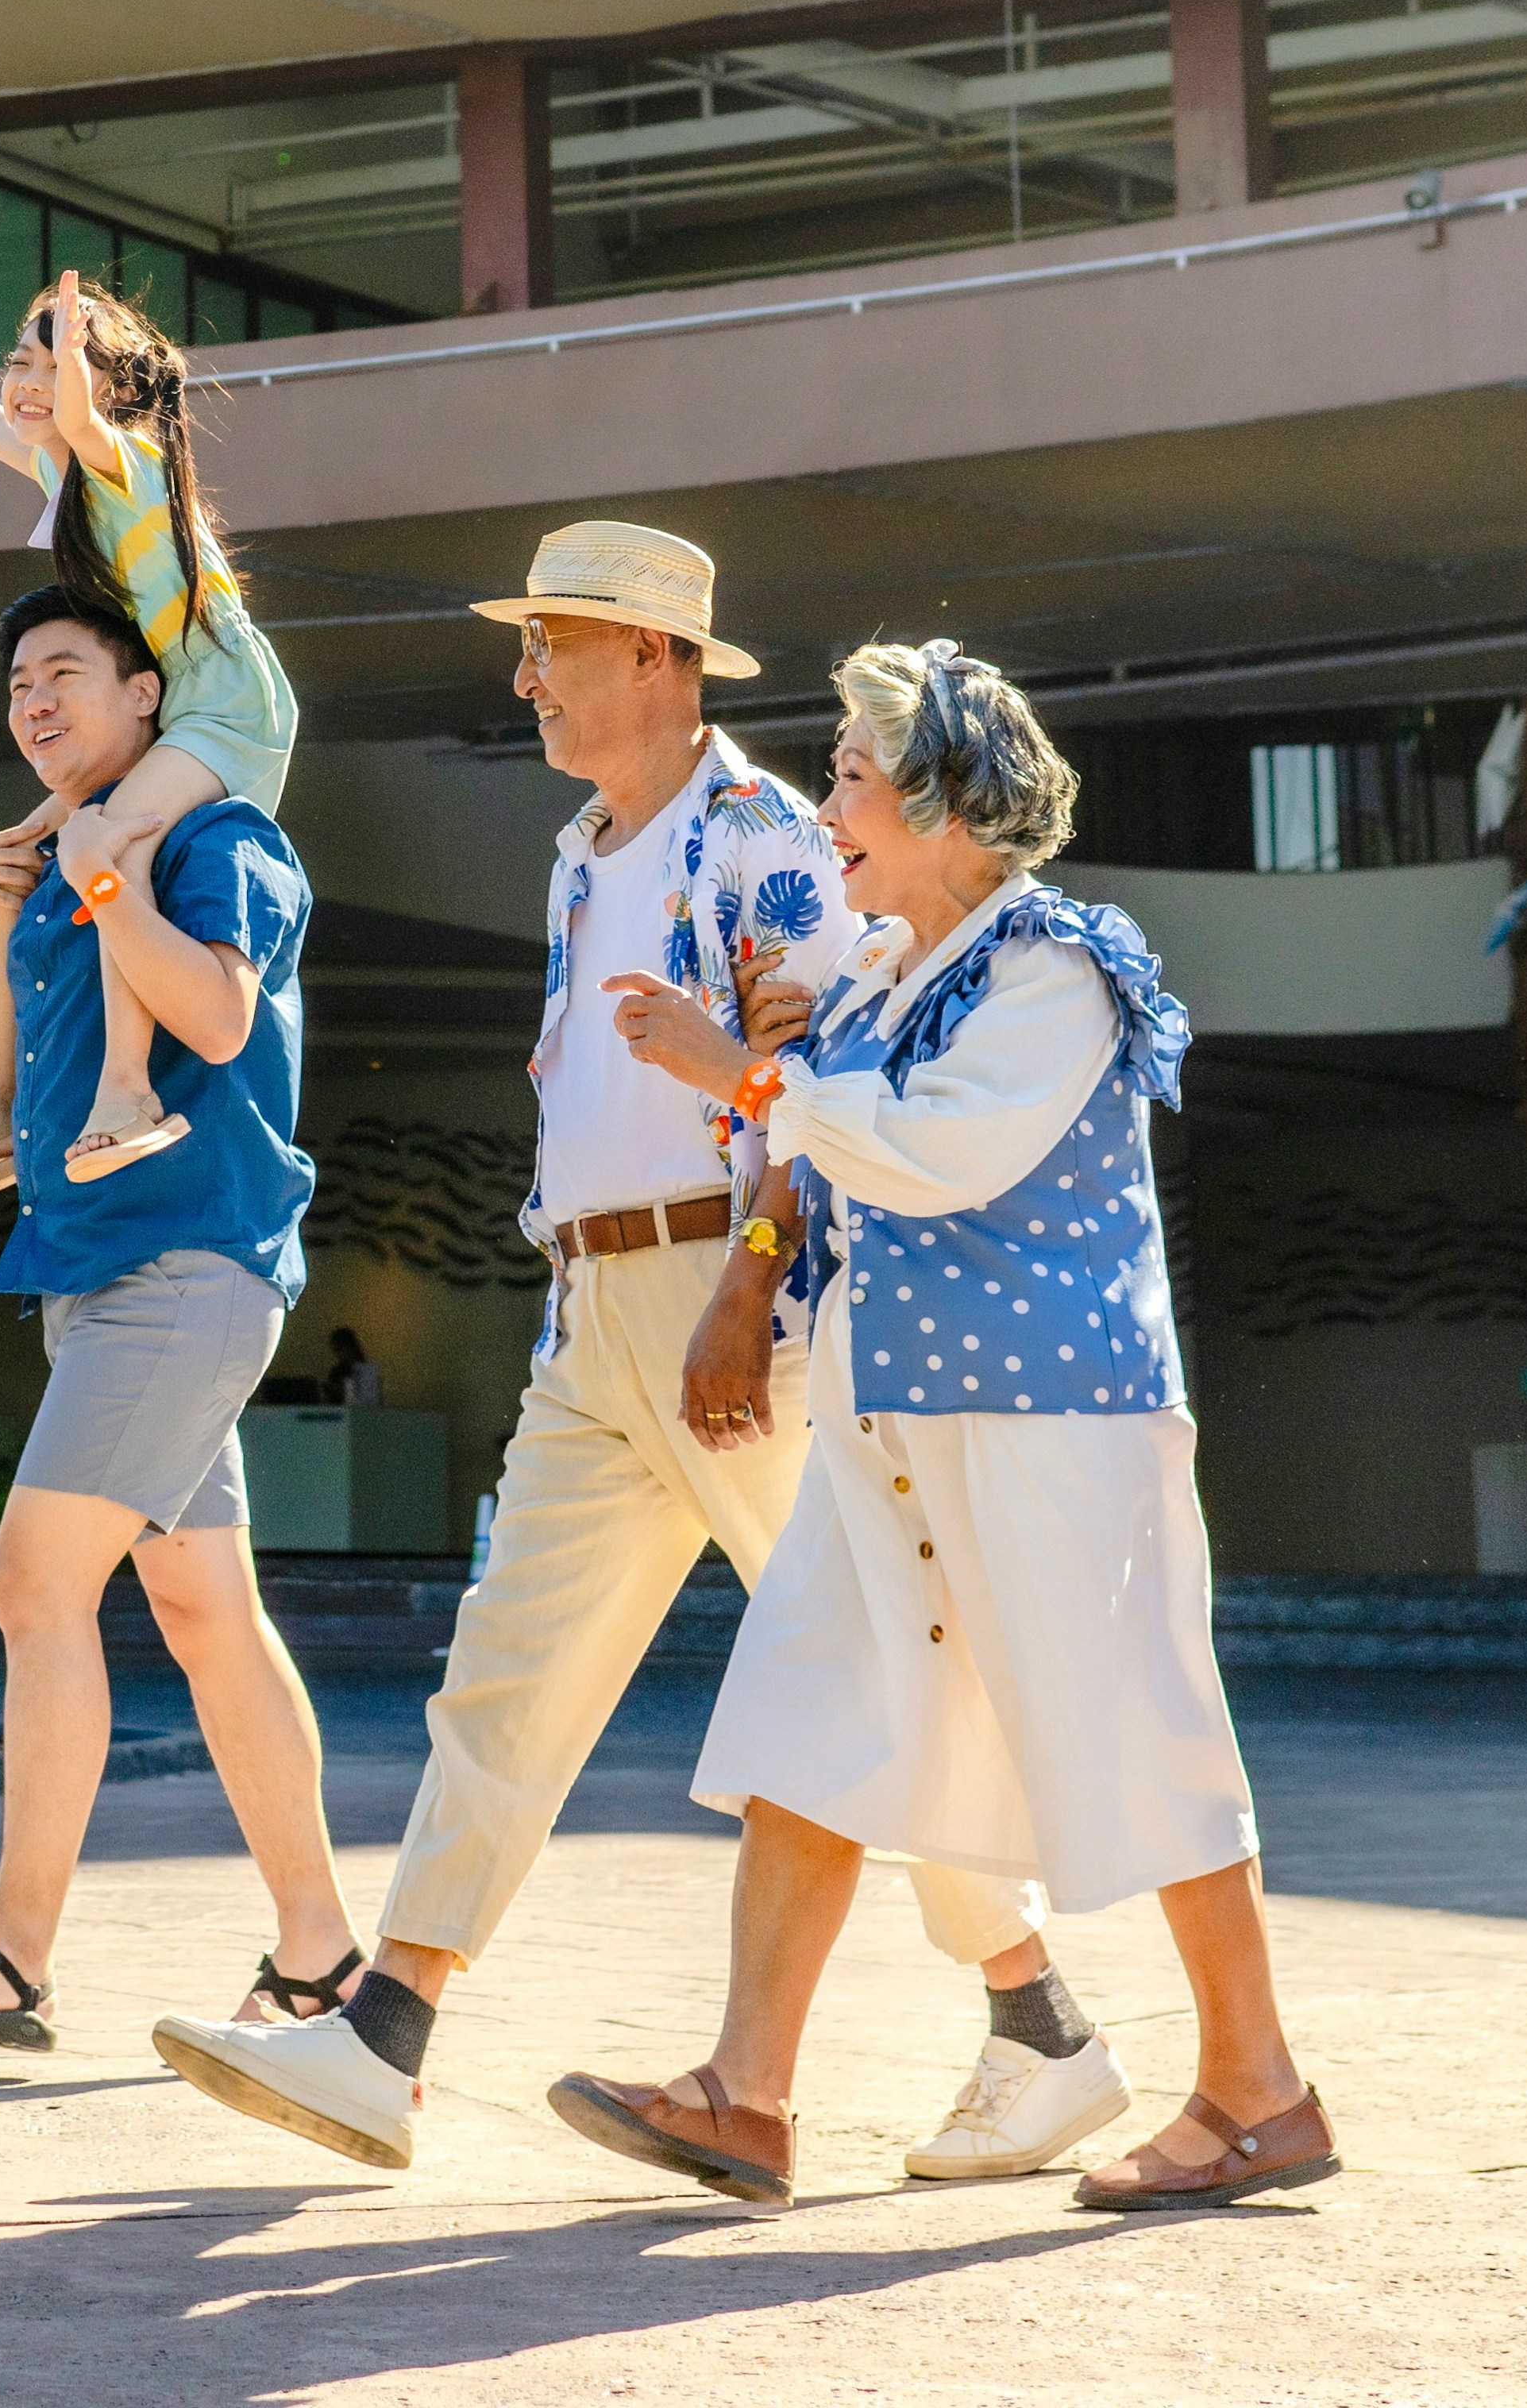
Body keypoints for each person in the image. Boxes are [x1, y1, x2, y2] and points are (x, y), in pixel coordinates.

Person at [154, 525, 1114, 2180]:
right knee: (508, 1674)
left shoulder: (763, 838)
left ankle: (1040, 2026)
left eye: (556, 642)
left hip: (736, 1312)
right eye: (527, 645)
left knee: (871, 1682)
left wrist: (749, 1280)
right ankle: (385, 2031)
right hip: (594, 1315)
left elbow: (826, 1084)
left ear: (661, 659)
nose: (524, 674)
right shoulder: (583, 848)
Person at [551, 637, 1333, 2213]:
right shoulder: (879, 971)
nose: (825, 797)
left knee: (1134, 1726)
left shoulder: (1050, 967)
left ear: (949, 807)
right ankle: (744, 2095)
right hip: (890, 1415)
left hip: (1051, 1422)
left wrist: (743, 1074)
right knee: (807, 1718)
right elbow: (823, 1165)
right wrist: (757, 1248)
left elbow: (937, 1158)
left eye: (850, 772)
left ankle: (1257, 2090)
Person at [0, 581, 364, 2051]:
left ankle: (10, 1953)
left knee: (30, 1586)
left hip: (184, 1267)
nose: (34, 703)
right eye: (16, 685)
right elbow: (14, 1084)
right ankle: (321, 1956)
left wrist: (109, 883)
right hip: (93, 1269)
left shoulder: (216, 839)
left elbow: (211, 1019)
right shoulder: (64, 861)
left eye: (64, 673)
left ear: (151, 700)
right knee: (204, 1612)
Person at [0, 271, 301, 1195]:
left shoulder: (126, 459)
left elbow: (72, 420)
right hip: (185, 706)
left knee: (104, 838)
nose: (26, 379)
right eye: (20, 359)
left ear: (103, 388)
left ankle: (125, 1090)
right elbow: (14, 436)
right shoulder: (65, 468)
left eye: (50, 362)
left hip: (228, 706)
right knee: (25, 850)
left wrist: (71, 370)